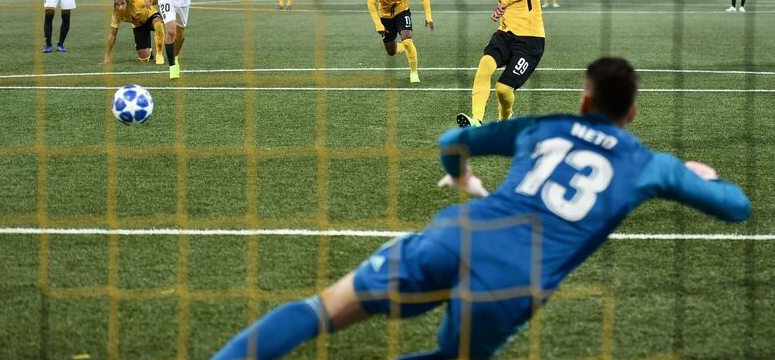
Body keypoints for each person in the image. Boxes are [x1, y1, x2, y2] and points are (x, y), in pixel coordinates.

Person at [211, 56, 751, 360]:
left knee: (319, 311)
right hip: (515, 283)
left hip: (459, 232)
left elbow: (453, 136)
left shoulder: (544, 127)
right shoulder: (651, 165)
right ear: (631, 114)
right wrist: (703, 175)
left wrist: (461, 175)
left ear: (584, 101)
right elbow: (735, 208)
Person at [424, 0, 544, 128]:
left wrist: (507, 2)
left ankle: (505, 120)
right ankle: (476, 120)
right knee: (484, 65)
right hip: (505, 34)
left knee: (503, 90)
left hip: (530, 40)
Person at [367, 0, 434, 83]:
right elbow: (370, 2)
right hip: (385, 17)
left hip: (402, 12)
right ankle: (403, 47)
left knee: (407, 39)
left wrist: (428, 17)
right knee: (391, 51)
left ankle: (414, 72)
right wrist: (378, 24)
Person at [103, 0, 165, 65]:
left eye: (122, 4)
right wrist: (107, 55)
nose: (120, 7)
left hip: (151, 17)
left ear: (128, 2)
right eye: (117, 5)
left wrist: (165, 12)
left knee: (158, 23)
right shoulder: (116, 14)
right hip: (138, 26)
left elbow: (160, 0)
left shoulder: (137, 1)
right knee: (144, 59)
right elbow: (113, 34)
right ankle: (149, 50)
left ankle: (159, 54)